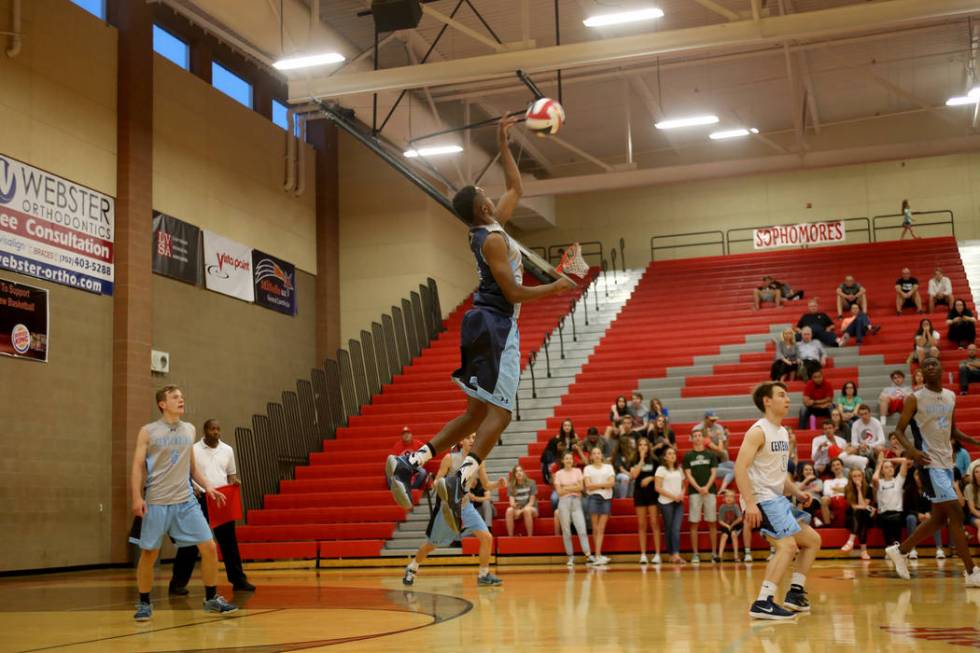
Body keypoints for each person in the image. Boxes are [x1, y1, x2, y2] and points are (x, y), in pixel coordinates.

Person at [387, 115, 576, 532]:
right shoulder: (491, 239)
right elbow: (512, 294)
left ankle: (410, 461)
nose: (494, 196)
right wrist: (555, 288)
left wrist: (502, 143)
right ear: (484, 208)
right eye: (486, 195)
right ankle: (458, 480)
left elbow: (516, 188)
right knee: (502, 414)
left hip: (482, 322)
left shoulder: (491, 226)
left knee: (475, 413)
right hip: (496, 325)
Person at [130, 386, 237, 621]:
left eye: (182, 397)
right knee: (149, 553)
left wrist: (208, 486)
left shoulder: (188, 429)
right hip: (157, 501)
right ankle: (145, 603)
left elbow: (192, 468)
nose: (181, 400)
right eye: (175, 397)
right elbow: (137, 466)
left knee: (209, 547)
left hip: (186, 501)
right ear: (162, 404)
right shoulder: (147, 431)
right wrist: (137, 497)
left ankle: (211, 598)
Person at [885, 356, 980, 587]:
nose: (930, 367)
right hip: (929, 465)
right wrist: (913, 452)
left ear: (941, 368)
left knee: (939, 518)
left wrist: (974, 442)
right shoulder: (914, 398)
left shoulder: (950, 396)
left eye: (934, 364)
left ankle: (901, 550)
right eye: (925, 365)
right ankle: (971, 572)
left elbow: (953, 431)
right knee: (956, 514)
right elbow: (898, 431)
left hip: (948, 463)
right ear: (920, 373)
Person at [735, 382, 822, 620]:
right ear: (767, 401)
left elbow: (779, 476)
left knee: (812, 540)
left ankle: (795, 593)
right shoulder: (758, 431)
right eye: (782, 395)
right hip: (762, 499)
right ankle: (763, 601)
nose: (788, 400)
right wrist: (750, 504)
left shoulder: (783, 433)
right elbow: (739, 468)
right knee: (787, 546)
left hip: (778, 498)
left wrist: (798, 492)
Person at [402, 434, 502, 587]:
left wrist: (498, 484)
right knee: (432, 544)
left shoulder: (479, 461)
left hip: (466, 506)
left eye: (475, 437)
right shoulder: (450, 458)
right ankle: (412, 567)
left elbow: (487, 485)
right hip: (448, 508)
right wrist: (439, 484)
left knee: (487, 538)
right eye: (468, 437)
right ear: (461, 441)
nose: (472, 440)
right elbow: (436, 482)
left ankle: (483, 574)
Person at [169, 419, 254, 595]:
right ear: (205, 430)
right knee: (191, 542)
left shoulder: (228, 450)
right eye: (212, 429)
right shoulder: (193, 449)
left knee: (229, 541)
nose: (216, 432)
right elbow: (185, 473)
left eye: (218, 429)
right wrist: (192, 487)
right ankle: (177, 583)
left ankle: (238, 580)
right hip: (199, 499)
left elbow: (231, 475)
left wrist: (234, 482)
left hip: (221, 499)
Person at [683, 429, 719, 564]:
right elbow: (688, 474)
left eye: (699, 436)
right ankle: (695, 554)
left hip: (710, 492)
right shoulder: (688, 456)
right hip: (694, 492)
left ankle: (714, 553)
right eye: (695, 436)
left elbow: (714, 473)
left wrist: (706, 487)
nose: (697, 438)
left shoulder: (710, 455)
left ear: (703, 438)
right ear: (691, 439)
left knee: (712, 522)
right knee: (694, 523)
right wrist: (699, 488)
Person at [554, 451, 593, 566]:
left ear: (573, 460)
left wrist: (566, 487)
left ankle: (588, 555)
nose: (569, 461)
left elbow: (581, 487)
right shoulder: (558, 473)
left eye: (570, 458)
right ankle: (570, 557)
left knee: (581, 528)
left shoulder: (578, 471)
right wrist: (573, 487)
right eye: (566, 459)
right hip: (563, 503)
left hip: (576, 502)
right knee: (566, 531)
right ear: (563, 461)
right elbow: (559, 492)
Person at [631, 437, 661, 564]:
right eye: (640, 445)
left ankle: (657, 554)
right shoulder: (634, 460)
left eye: (645, 444)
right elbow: (634, 475)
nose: (643, 447)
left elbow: (660, 476)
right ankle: (643, 554)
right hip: (639, 493)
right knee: (642, 524)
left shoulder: (655, 460)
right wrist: (642, 460)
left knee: (654, 523)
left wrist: (650, 478)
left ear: (648, 447)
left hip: (652, 494)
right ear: (637, 447)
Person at [584, 446, 615, 566]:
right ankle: (597, 555)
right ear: (591, 456)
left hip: (606, 498)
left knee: (601, 528)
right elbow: (588, 486)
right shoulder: (587, 468)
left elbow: (611, 483)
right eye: (594, 453)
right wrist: (603, 485)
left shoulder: (609, 467)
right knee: (595, 528)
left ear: (601, 455)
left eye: (598, 453)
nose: (597, 455)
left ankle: (597, 555)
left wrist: (596, 485)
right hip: (593, 498)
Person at [655, 447, 686, 564]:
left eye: (673, 453)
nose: (672, 455)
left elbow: (683, 486)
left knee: (676, 528)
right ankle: (671, 554)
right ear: (665, 457)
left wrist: (682, 494)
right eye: (669, 453)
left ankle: (676, 554)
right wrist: (673, 497)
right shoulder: (661, 469)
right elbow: (657, 487)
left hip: (678, 503)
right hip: (665, 503)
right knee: (669, 529)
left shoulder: (679, 469)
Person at [874, 457, 910, 548]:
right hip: (883, 514)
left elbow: (904, 460)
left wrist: (886, 459)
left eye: (891, 467)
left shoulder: (898, 481)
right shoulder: (880, 482)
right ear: (882, 471)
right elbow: (874, 478)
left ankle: (897, 547)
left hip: (897, 513)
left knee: (895, 520)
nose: (890, 468)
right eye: (886, 467)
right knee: (886, 522)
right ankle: (889, 547)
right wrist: (880, 464)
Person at [840, 467, 875, 560]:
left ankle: (850, 541)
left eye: (859, 476)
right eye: (854, 476)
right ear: (851, 478)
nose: (857, 478)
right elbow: (854, 507)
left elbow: (863, 505)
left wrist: (859, 489)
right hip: (851, 517)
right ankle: (864, 551)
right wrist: (867, 507)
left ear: (863, 477)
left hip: (864, 516)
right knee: (860, 514)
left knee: (861, 515)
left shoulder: (868, 488)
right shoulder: (847, 488)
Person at [699, 412, 735, 491]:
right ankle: (722, 489)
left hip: (715, 464)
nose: (712, 431)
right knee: (732, 472)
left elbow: (724, 449)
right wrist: (719, 437)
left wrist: (727, 436)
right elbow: (720, 449)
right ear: (705, 432)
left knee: (735, 465)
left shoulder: (708, 439)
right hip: (709, 468)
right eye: (709, 431)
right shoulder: (706, 440)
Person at [388, 426, 429, 491]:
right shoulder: (397, 446)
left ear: (411, 435)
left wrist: (421, 463)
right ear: (401, 436)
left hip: (414, 467)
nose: (406, 435)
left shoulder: (418, 443)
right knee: (388, 471)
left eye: (408, 433)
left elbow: (427, 452)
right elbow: (392, 460)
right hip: (402, 469)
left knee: (423, 472)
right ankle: (396, 491)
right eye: (404, 434)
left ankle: (412, 489)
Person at [505, 465, 537, 536]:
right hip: (518, 509)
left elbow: (531, 502)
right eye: (516, 472)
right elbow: (512, 502)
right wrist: (514, 506)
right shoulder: (511, 486)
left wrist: (521, 511)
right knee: (509, 511)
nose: (519, 473)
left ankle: (530, 537)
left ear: (523, 472)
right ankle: (510, 537)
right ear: (514, 475)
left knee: (527, 510)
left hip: (531, 509)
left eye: (520, 471)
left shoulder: (531, 483)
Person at [820, 458, 850, 526]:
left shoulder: (848, 480)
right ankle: (827, 525)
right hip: (832, 500)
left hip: (845, 499)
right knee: (824, 499)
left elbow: (850, 491)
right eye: (833, 465)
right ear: (831, 469)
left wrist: (834, 489)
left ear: (842, 467)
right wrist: (842, 489)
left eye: (838, 464)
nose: (836, 467)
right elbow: (827, 493)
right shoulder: (827, 481)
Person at [717, 490, 744, 562]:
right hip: (726, 526)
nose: (729, 498)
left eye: (731, 496)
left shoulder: (735, 506)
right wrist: (727, 526)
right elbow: (720, 521)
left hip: (735, 525)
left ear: (734, 499)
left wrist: (732, 525)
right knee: (724, 536)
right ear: (724, 498)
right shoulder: (722, 507)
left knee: (733, 534)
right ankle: (720, 556)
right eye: (727, 496)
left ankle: (736, 556)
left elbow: (740, 518)